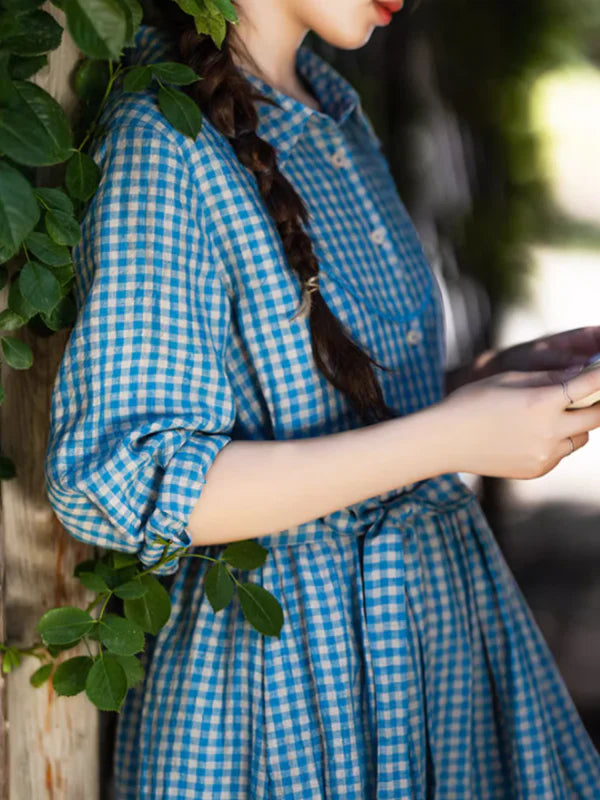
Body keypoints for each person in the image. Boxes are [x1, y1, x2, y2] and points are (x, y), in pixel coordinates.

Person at [43, 1, 600, 797]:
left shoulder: (333, 110)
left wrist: (485, 392)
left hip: (428, 647)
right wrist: (446, 440)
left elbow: (319, 414)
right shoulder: (165, 137)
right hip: (285, 698)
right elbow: (117, 479)